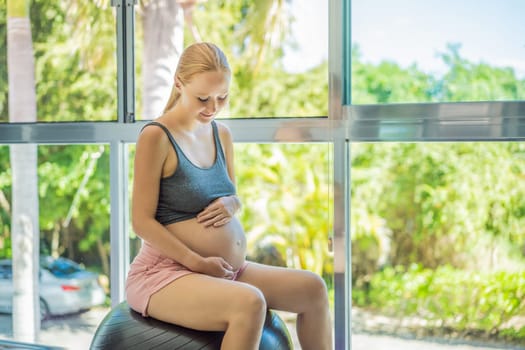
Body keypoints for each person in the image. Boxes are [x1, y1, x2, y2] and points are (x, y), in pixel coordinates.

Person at [126, 42, 333, 350]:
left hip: (224, 269)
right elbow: (141, 222)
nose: (212, 107)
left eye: (222, 97)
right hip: (164, 273)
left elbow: (231, 195)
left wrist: (233, 202)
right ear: (179, 83)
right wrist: (196, 262)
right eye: (203, 98)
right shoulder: (156, 137)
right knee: (250, 303)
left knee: (313, 289)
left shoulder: (221, 134)